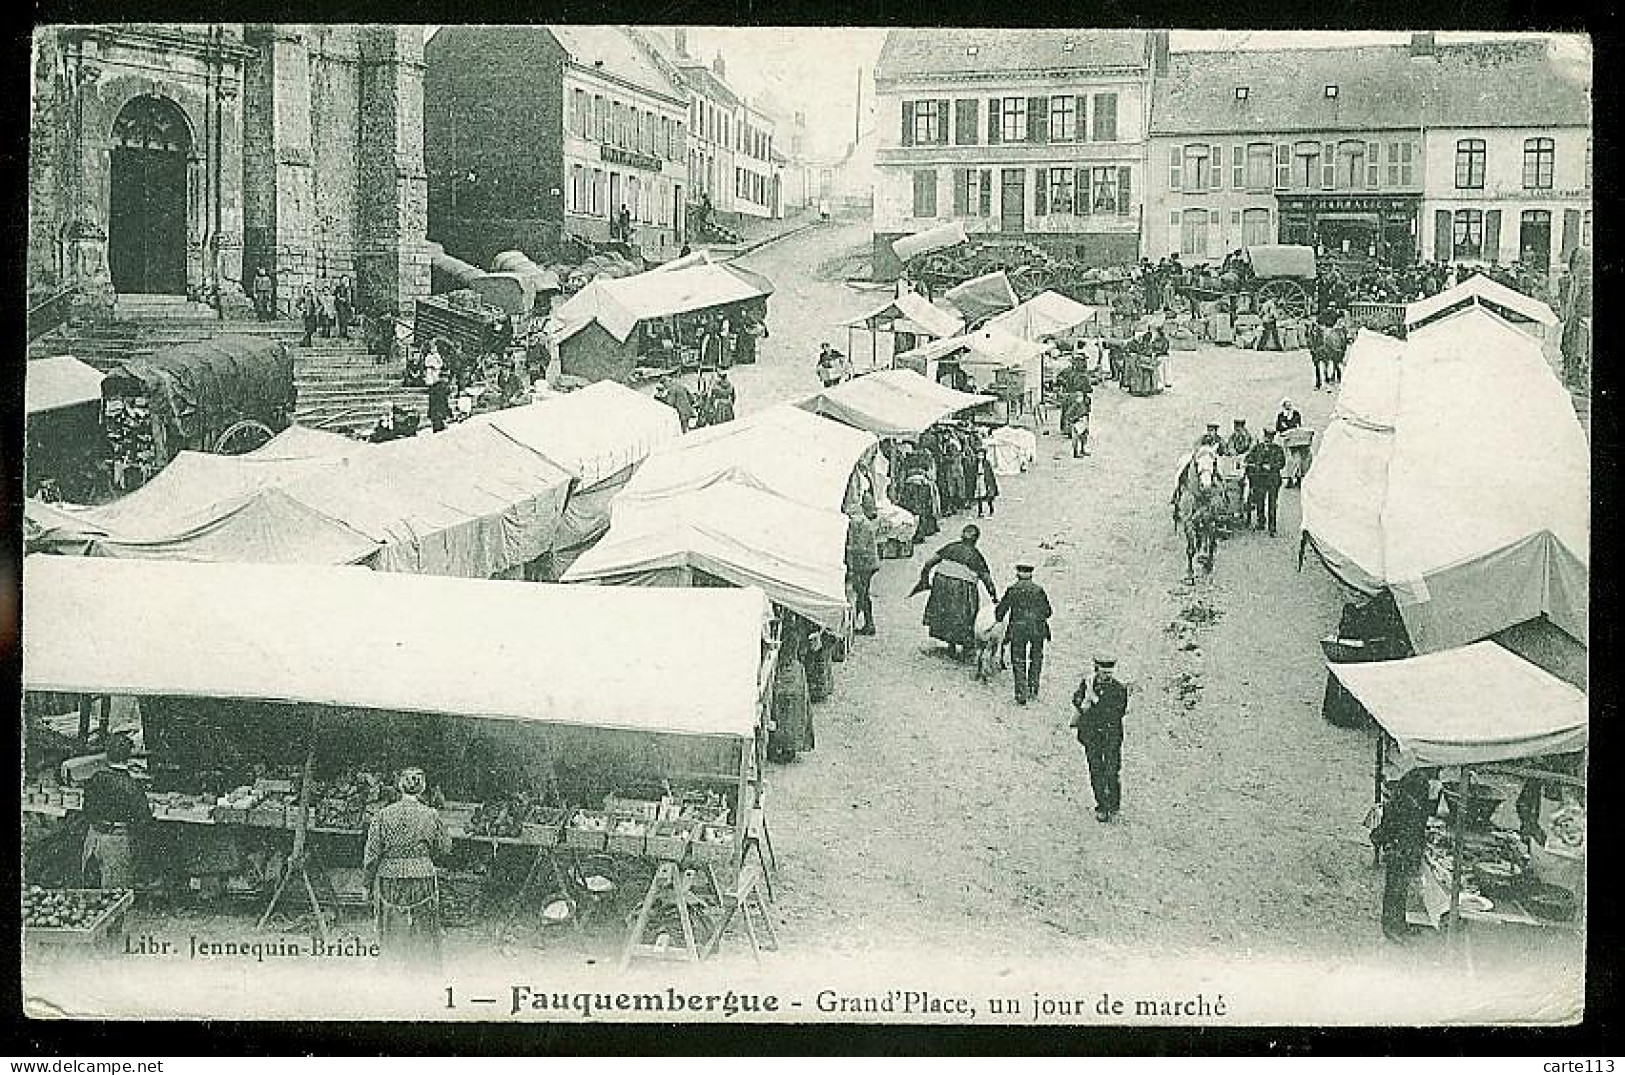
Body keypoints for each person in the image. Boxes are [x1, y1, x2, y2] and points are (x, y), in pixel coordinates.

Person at [364, 767, 451, 969]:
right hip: (423, 875)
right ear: (422, 788)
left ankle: (390, 969)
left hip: (389, 876)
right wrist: (424, 857)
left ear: (399, 785)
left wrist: (366, 884)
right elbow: (445, 848)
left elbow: (372, 854)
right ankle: (420, 971)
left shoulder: (382, 815)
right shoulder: (432, 815)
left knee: (391, 925)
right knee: (423, 927)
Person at [1370, 767, 1436, 942]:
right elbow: (1403, 815)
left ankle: (1399, 923)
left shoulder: (1419, 778)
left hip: (1407, 840)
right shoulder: (1418, 781)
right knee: (1395, 886)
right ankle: (1390, 927)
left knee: (1401, 886)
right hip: (1401, 841)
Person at [914, 524, 997, 661]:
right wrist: (994, 597)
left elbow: (929, 563)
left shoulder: (950, 547)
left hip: (941, 583)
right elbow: (987, 579)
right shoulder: (975, 555)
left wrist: (924, 579)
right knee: (965, 616)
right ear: (976, 540)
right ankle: (966, 648)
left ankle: (950, 645)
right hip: (962, 588)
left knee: (945, 614)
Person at [81, 733, 151, 888]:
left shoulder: (95, 778)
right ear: (129, 756)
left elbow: (86, 809)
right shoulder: (131, 786)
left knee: (90, 889)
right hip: (116, 842)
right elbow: (143, 819)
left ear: (107, 754)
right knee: (115, 895)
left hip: (93, 839)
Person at [1071, 656, 1128, 822]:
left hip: (1111, 735)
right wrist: (1083, 702)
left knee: (1112, 769)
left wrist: (1095, 701)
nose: (1106, 676)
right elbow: (1075, 698)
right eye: (1103, 673)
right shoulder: (1087, 684)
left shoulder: (1119, 689)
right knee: (1096, 769)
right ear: (1097, 670)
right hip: (1091, 735)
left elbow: (1118, 712)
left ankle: (1114, 805)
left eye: (1109, 673)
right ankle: (1102, 805)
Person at [995, 564, 1053, 705]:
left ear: (1017, 575)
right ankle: (1033, 689)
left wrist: (999, 618)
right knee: (1036, 658)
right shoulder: (1039, 590)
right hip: (1038, 629)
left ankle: (1021, 694)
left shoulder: (1012, 590)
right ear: (1031, 575)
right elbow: (1048, 612)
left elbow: (1000, 612)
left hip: (1018, 629)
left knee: (1018, 659)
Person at [845, 502, 881, 636]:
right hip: (866, 564)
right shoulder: (863, 523)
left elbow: (860, 548)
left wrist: (845, 548)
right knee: (862, 593)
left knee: (862, 594)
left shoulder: (861, 525)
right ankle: (860, 622)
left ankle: (869, 624)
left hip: (865, 564)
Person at [1244, 427, 1287, 536]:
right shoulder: (1257, 448)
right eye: (1266, 437)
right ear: (1264, 437)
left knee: (1272, 504)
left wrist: (1271, 466)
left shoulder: (1278, 449)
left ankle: (1272, 527)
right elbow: (1249, 458)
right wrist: (1249, 463)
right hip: (1260, 480)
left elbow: (1282, 463)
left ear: (1273, 438)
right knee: (1260, 502)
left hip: (1273, 480)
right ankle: (1261, 522)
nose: (1268, 440)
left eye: (1270, 438)